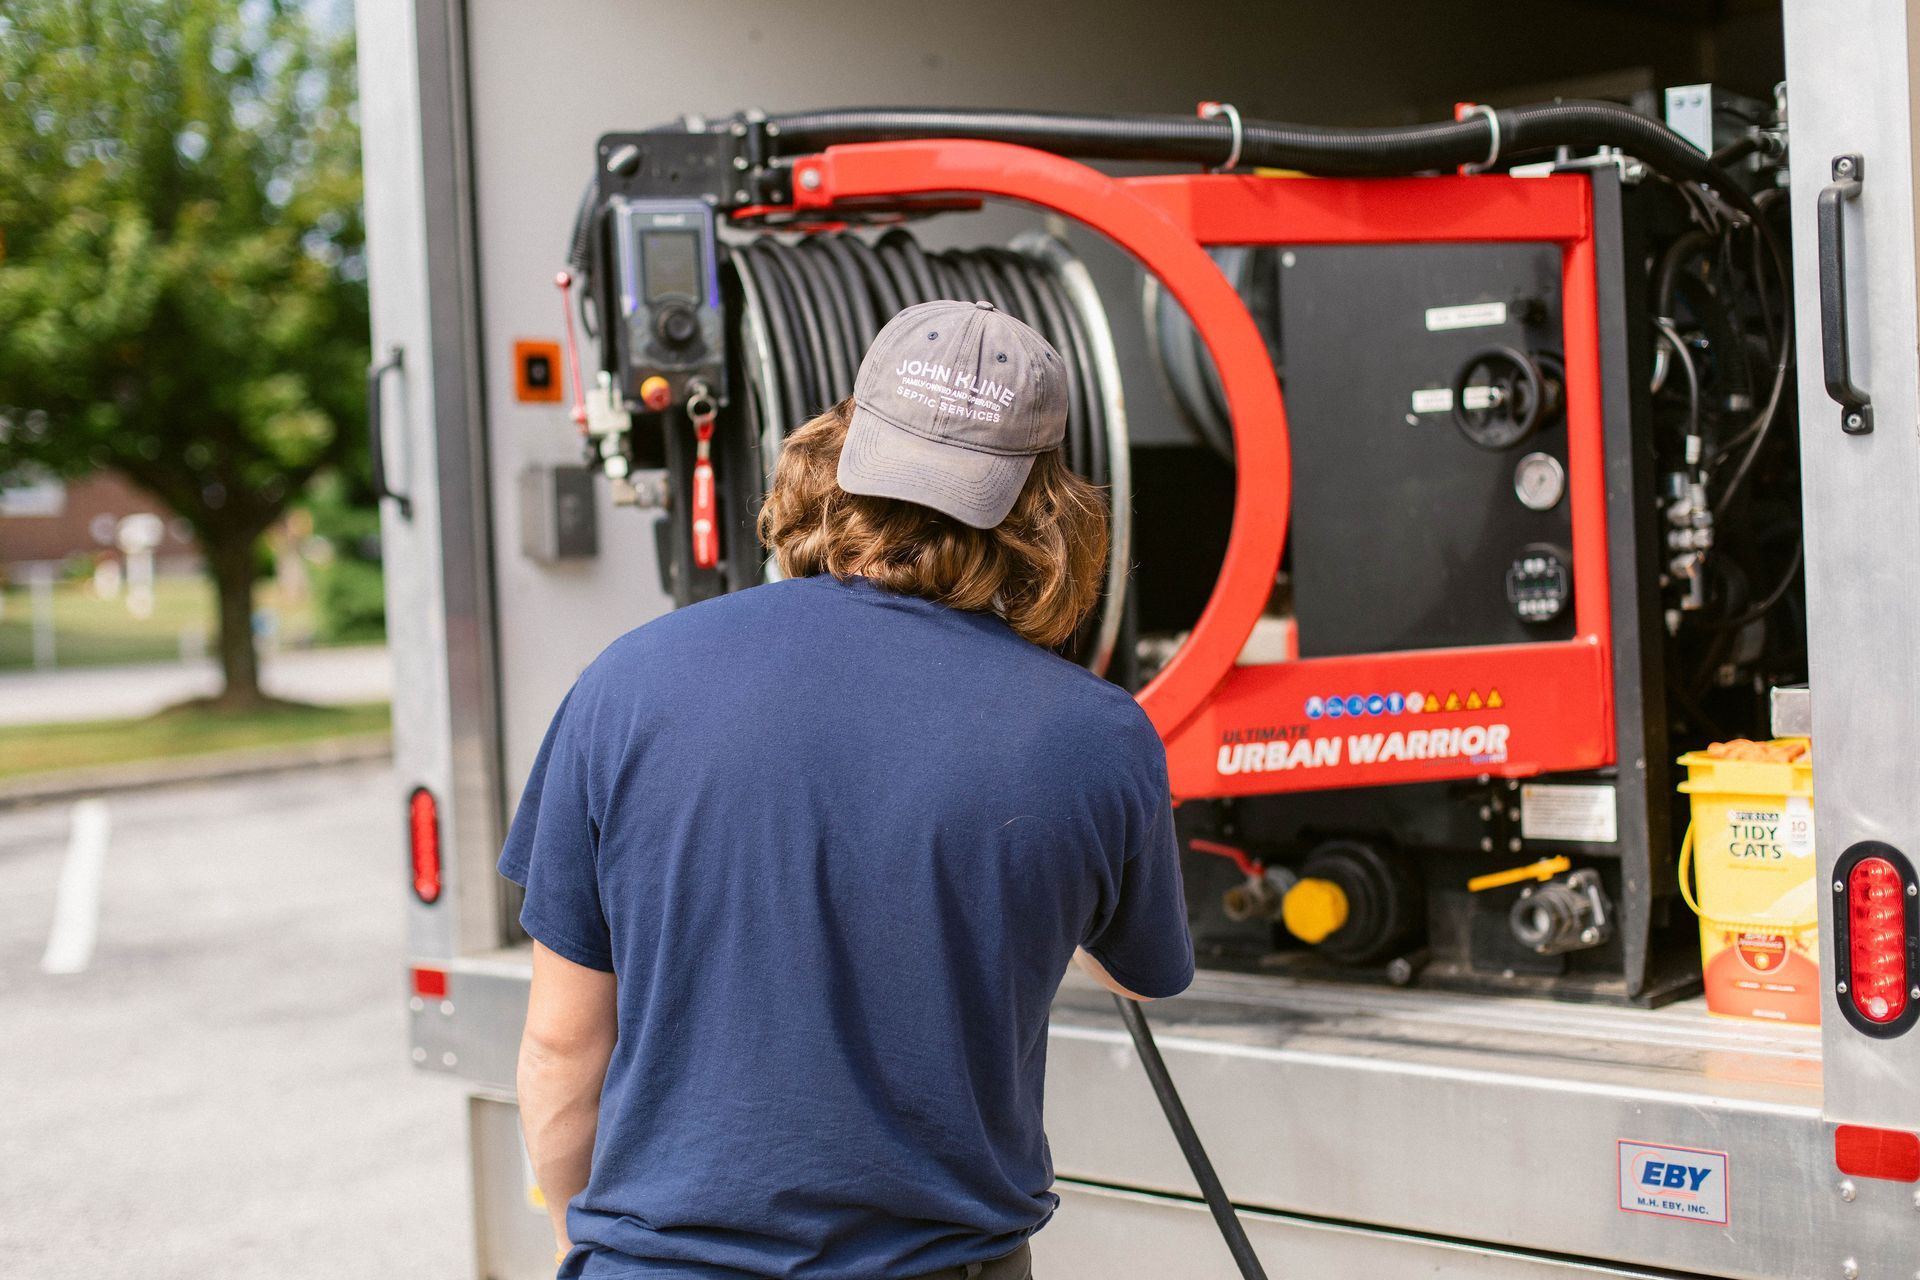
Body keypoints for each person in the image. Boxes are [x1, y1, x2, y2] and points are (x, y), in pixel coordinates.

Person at [504, 299, 1194, 1280]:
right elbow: (1139, 969)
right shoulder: (1094, 733)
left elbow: (562, 1042)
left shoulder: (630, 680)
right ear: (1048, 502)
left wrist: (572, 1228)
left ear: (839, 450)